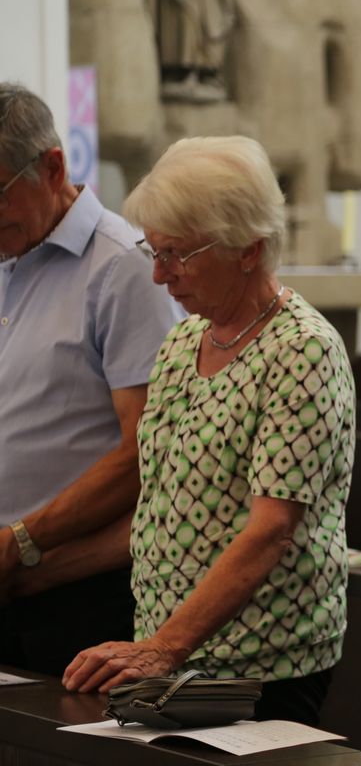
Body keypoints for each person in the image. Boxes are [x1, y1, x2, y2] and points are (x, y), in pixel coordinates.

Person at [60, 135, 356, 726]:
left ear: (248, 249)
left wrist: (164, 647)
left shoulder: (302, 350)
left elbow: (271, 530)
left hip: (260, 664)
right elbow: (160, 502)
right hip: (170, 649)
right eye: (154, 250)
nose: (159, 275)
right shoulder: (184, 340)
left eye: (177, 254)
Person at [0, 82, 182, 675]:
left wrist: (22, 540)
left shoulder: (124, 267)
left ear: (53, 167)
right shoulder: (9, 251)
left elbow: (146, 451)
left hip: (71, 591)